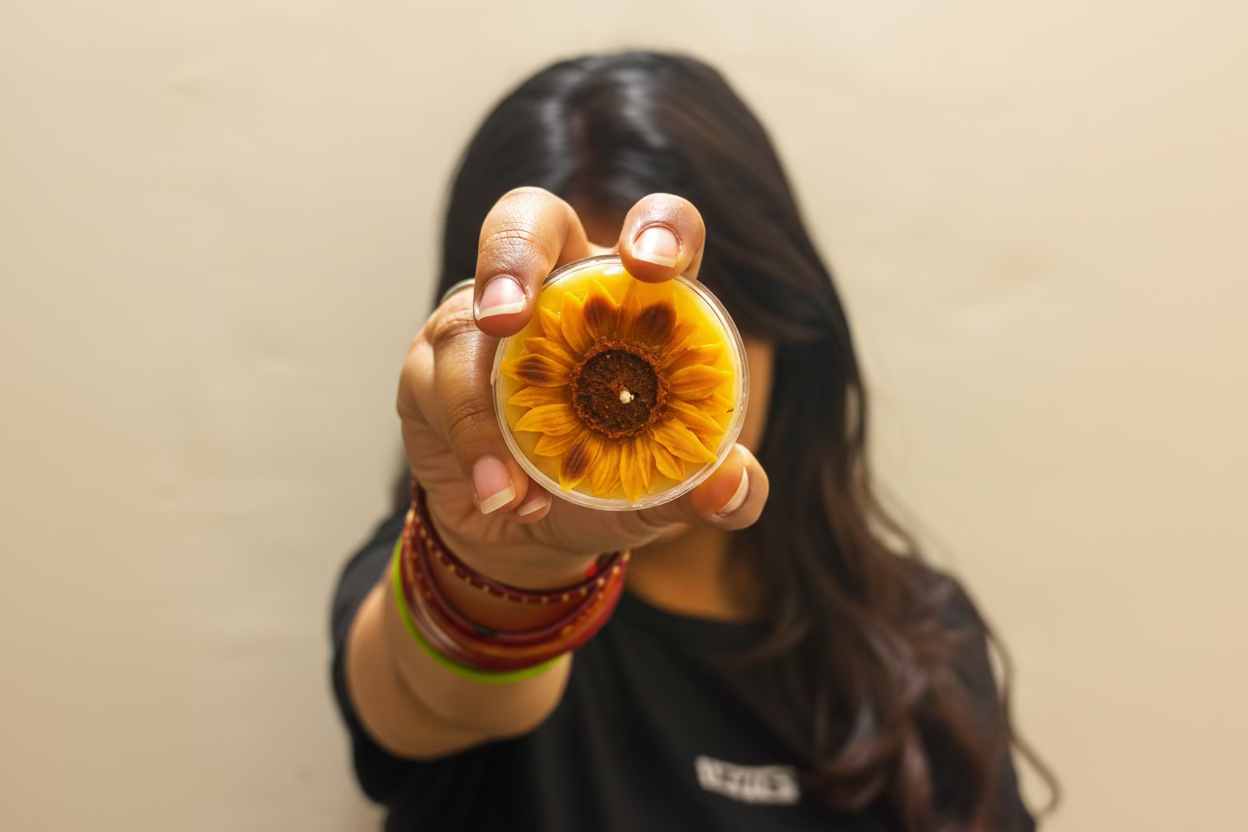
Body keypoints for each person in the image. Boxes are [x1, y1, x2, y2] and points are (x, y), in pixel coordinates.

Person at [330, 51, 1052, 831]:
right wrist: (516, 565)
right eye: (555, 329)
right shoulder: (442, 567)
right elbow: (431, 693)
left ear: (778, 322)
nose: (625, 383)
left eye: (672, 315)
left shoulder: (924, 638)